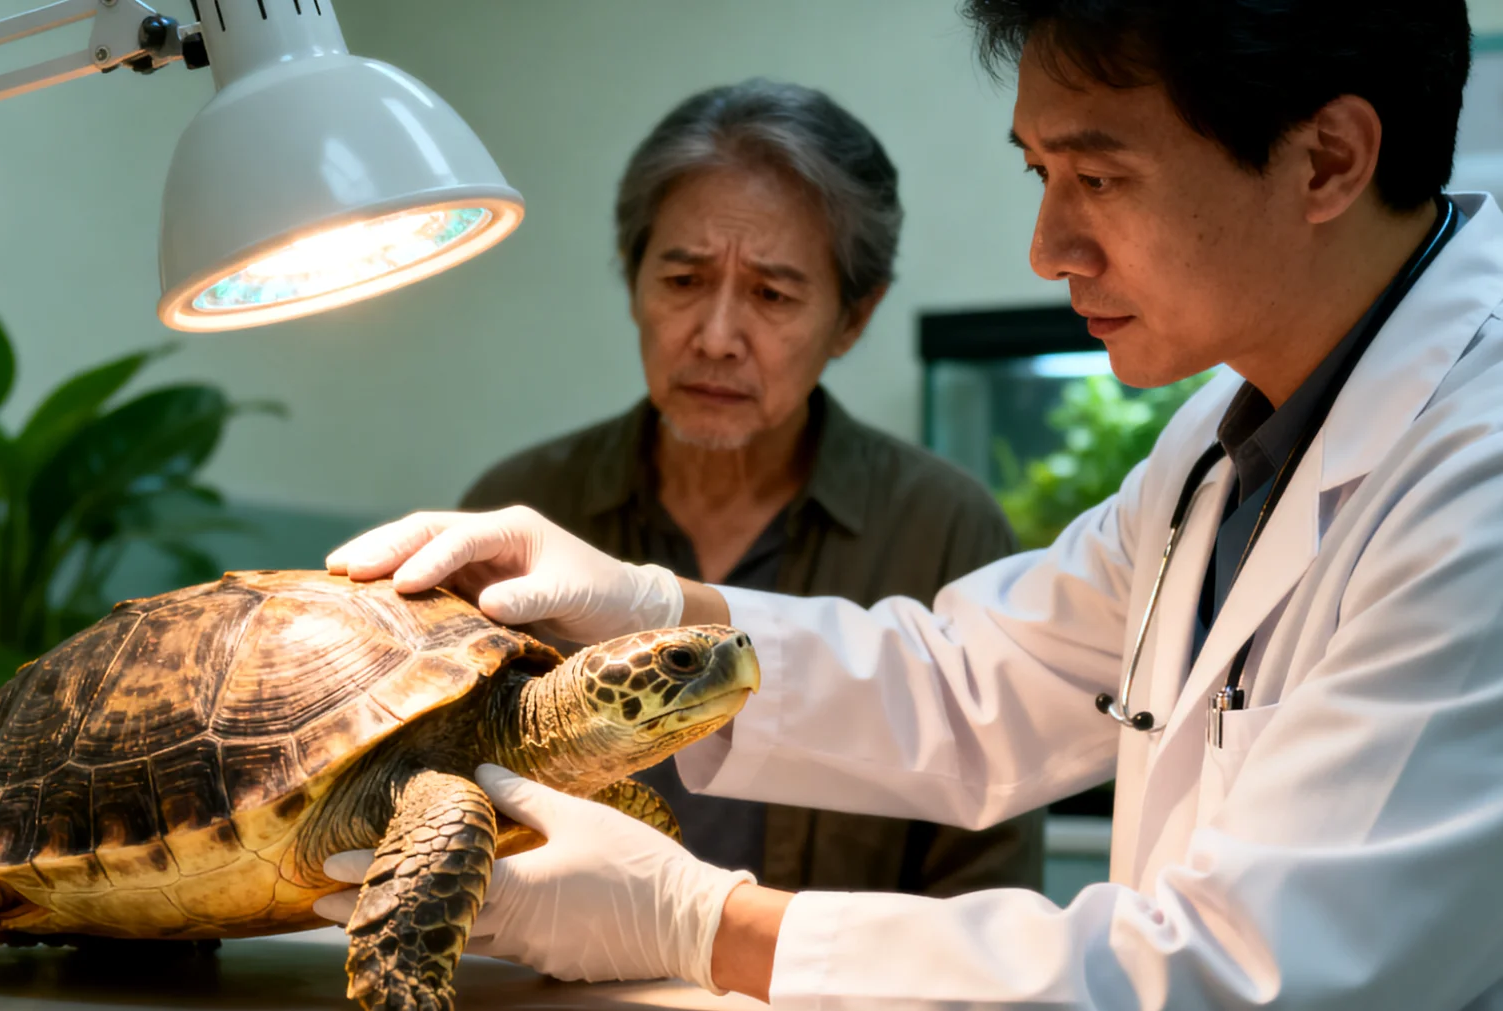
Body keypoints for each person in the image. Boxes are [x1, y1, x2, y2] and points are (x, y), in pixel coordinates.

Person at [319, 0, 1503, 1007]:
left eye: (1099, 177)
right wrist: (641, 610)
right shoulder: (1222, 442)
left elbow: (1244, 973)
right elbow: (964, 686)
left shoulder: (1476, 479)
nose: (1047, 247)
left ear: (1329, 161)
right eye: (1042, 175)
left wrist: (704, 925)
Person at [456, 78, 1044, 896]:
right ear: (633, 281)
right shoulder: (522, 509)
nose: (718, 336)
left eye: (771, 294)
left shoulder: (941, 527)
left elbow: (984, 898)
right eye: (683, 280)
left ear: (853, 318)